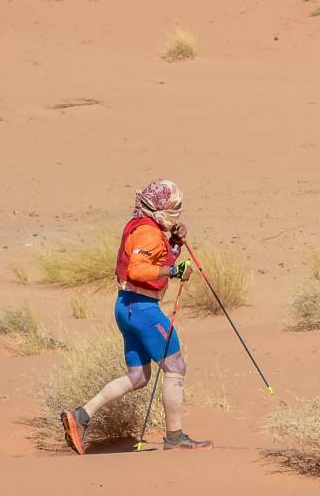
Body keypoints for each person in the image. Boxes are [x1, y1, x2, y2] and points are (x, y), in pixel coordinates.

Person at [60, 179, 213, 454]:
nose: (176, 213)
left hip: (127, 306)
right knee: (175, 366)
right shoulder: (148, 233)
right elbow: (138, 270)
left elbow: (153, 261)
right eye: (173, 208)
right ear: (159, 208)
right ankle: (175, 439)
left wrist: (174, 245)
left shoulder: (144, 227)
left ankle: (81, 416)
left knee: (138, 377)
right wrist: (175, 272)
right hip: (143, 310)